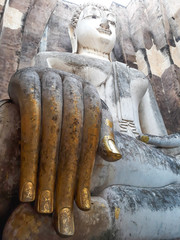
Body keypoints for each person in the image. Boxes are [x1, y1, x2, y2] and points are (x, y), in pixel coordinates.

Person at [2, 3, 180, 240]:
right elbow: (40, 110)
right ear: (73, 32)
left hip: (139, 158)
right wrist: (27, 82)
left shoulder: (136, 78)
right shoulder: (51, 62)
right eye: (94, 17)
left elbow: (160, 146)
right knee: (18, 132)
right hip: (71, 138)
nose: (105, 24)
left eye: (112, 21)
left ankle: (101, 221)